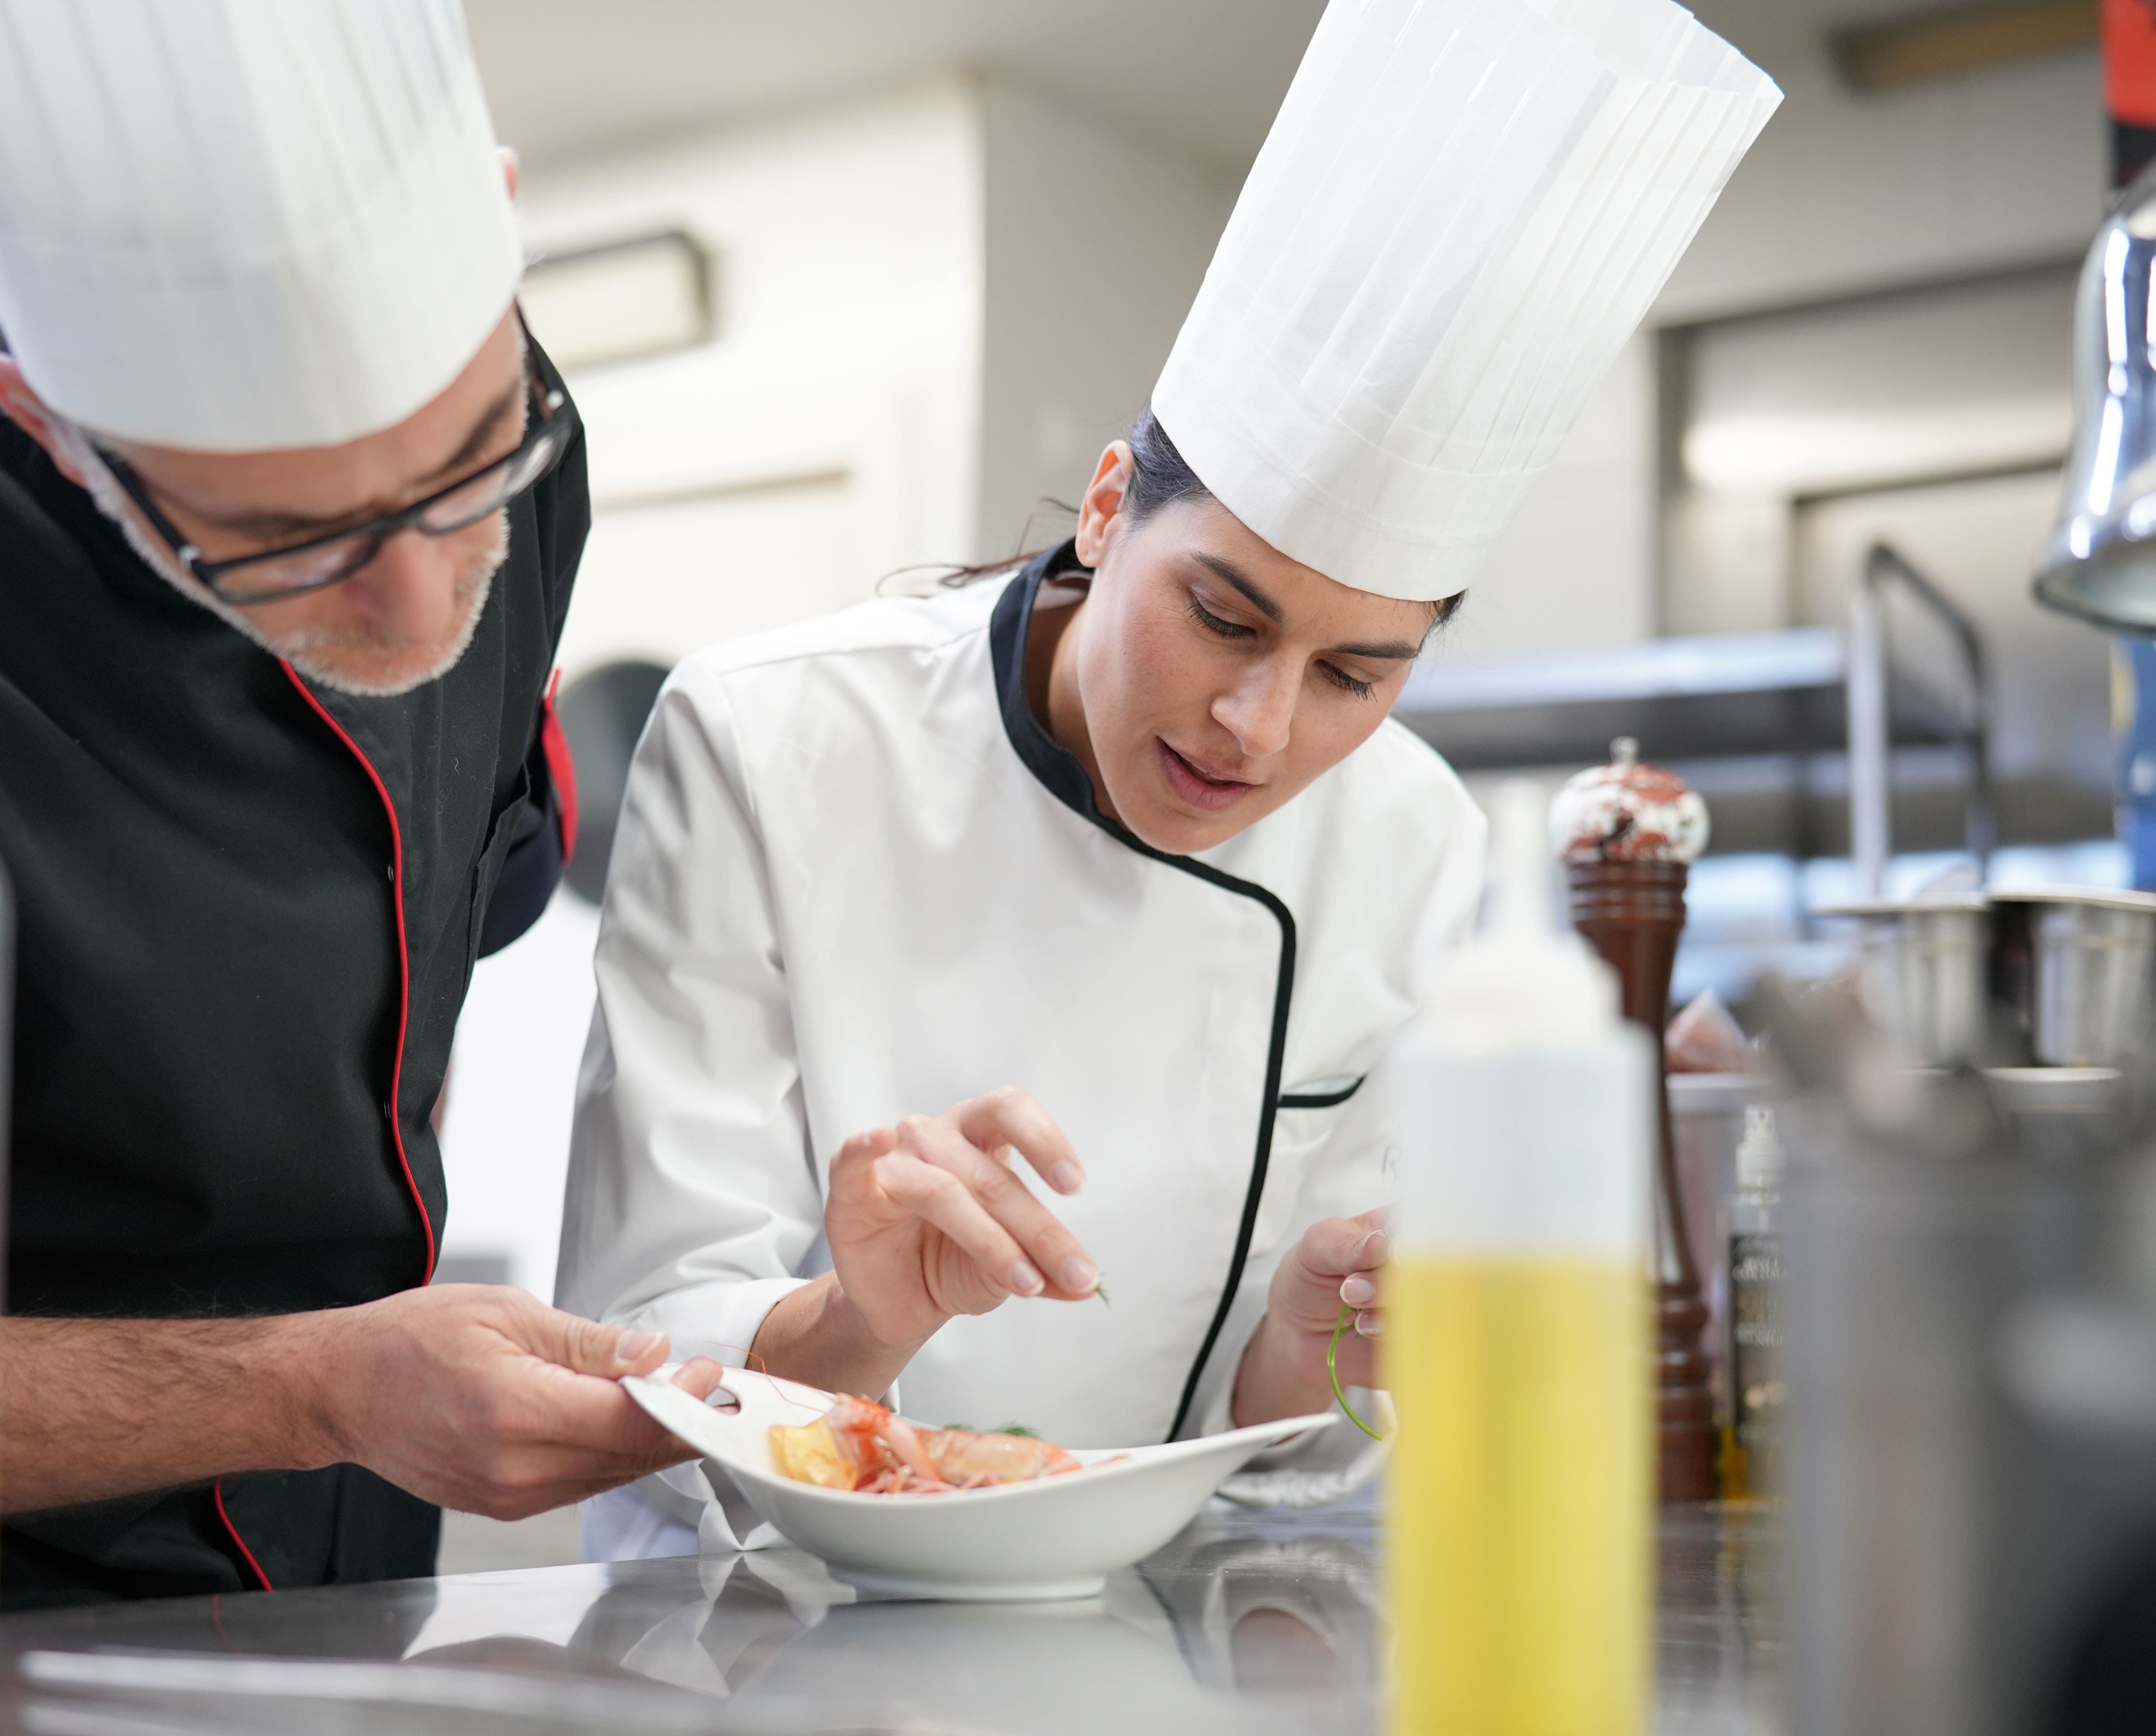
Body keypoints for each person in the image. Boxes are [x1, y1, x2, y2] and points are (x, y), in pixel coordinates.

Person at [557, 0, 1778, 1556]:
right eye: (1221, 616)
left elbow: (1284, 1450)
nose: (1260, 731)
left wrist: (1320, 1332)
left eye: (1357, 673)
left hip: (1163, 1625)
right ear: (1106, 506)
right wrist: (855, 1315)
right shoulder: (767, 737)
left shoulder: (1409, 833)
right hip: (762, 1620)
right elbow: (638, 1361)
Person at [0, 0, 714, 1606]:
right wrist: (309, 1385)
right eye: (281, 544)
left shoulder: (535, 442)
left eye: (464, 474)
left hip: (344, 1607)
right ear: (49, 424)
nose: (416, 601)